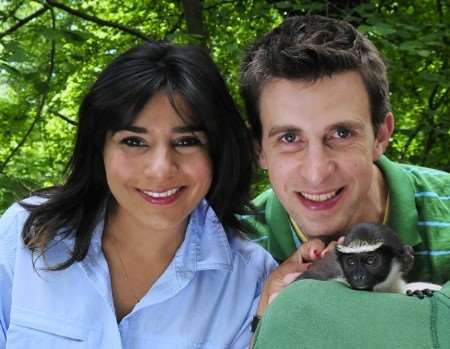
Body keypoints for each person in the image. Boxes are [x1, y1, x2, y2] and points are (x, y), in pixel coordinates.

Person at [0, 41, 277, 348]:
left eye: (186, 142)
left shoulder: (251, 281)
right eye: (133, 142)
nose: (160, 170)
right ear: (99, 148)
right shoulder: (26, 234)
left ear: (218, 152)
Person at [239, 14, 450, 327]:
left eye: (341, 134)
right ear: (260, 149)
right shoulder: (233, 251)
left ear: (380, 135)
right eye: (289, 138)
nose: (316, 172)